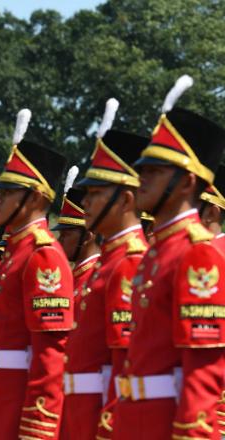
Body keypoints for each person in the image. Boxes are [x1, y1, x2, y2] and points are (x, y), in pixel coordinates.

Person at [113, 76, 225, 439]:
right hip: (136, 421)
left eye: (155, 172)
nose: (140, 179)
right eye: (142, 169)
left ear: (187, 182)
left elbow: (202, 373)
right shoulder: (157, 252)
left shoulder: (198, 254)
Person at [0, 110, 74, 439]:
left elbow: (49, 351)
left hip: (19, 408)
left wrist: (39, 425)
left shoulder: (42, 255)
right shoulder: (17, 252)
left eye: (7, 193)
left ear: (34, 197)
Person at [61, 100, 150, 439]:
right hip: (79, 413)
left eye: (96, 193)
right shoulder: (109, 261)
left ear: (126, 201)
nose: (85, 203)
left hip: (101, 419)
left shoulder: (129, 263)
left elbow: (126, 364)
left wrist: (110, 429)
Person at [52, 178, 101, 314]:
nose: (59, 241)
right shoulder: (78, 274)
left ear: (86, 237)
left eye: (65, 235)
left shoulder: (95, 278)